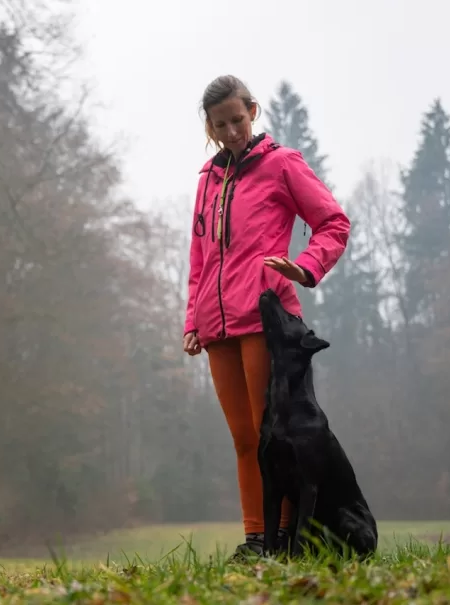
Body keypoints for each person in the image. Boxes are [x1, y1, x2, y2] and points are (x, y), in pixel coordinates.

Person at [182, 75, 350, 561]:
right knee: (242, 438)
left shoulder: (282, 165)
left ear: (253, 111)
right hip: (216, 328)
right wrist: (193, 319)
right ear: (209, 128)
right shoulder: (208, 180)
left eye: (237, 119)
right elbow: (199, 255)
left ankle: (287, 538)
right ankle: (256, 539)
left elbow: (333, 222)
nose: (232, 131)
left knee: (272, 436)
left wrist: (306, 265)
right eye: (220, 124)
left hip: (267, 320)